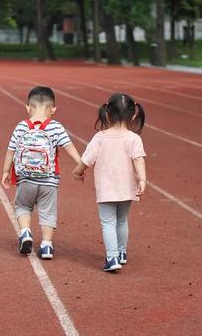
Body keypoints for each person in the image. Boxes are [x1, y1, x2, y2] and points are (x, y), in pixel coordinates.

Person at [2, 86, 82, 259]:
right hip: (49, 181)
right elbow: (69, 147)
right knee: (47, 212)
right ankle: (46, 245)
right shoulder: (56, 127)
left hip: (25, 179)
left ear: (28, 107)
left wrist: (6, 171)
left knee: (23, 206)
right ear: (53, 109)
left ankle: (25, 232)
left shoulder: (21, 126)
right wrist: (81, 165)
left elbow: (11, 150)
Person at [73, 93, 147, 272]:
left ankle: (112, 257)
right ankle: (121, 252)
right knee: (122, 220)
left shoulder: (100, 138)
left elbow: (86, 160)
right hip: (126, 190)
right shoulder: (134, 139)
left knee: (108, 223)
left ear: (107, 113)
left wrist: (77, 171)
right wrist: (143, 179)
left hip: (106, 190)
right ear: (134, 115)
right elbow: (139, 160)